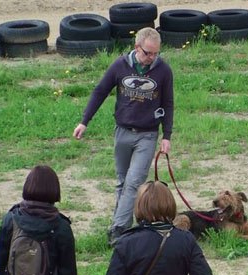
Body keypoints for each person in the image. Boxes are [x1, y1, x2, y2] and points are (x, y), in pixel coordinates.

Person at [72, 27, 174, 245]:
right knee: (121, 182)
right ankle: (125, 225)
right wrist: (84, 121)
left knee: (133, 183)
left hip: (147, 134)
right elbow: (100, 91)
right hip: (123, 132)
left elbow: (168, 103)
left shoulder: (163, 71)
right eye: (148, 53)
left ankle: (119, 230)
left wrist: (167, 135)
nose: (152, 57)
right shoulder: (120, 66)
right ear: (137, 47)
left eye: (156, 53)